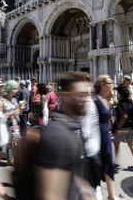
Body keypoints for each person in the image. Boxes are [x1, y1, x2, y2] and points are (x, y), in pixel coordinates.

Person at [35, 72, 95, 200]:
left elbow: (69, 171)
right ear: (64, 96)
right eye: (80, 94)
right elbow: (50, 195)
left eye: (87, 95)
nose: (85, 99)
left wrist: (84, 189)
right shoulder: (57, 135)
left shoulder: (71, 128)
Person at [93, 75, 117, 200]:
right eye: (109, 82)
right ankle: (96, 188)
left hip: (106, 135)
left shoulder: (106, 99)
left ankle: (112, 195)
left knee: (108, 162)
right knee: (98, 163)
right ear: (102, 84)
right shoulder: (94, 100)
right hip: (97, 136)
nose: (112, 83)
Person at [113, 76, 133, 173]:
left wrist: (118, 127)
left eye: (118, 93)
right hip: (131, 127)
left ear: (121, 95)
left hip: (123, 128)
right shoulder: (130, 103)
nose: (118, 95)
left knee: (116, 143)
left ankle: (115, 163)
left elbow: (124, 116)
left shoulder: (121, 103)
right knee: (131, 145)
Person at [1, 80, 21, 166]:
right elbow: (0, 116)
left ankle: (13, 159)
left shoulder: (14, 99)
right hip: (5, 124)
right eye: (15, 89)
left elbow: (17, 111)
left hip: (14, 123)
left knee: (15, 142)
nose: (16, 91)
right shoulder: (1, 100)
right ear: (9, 89)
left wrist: (19, 109)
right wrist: (11, 113)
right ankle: (9, 159)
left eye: (17, 89)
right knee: (9, 143)